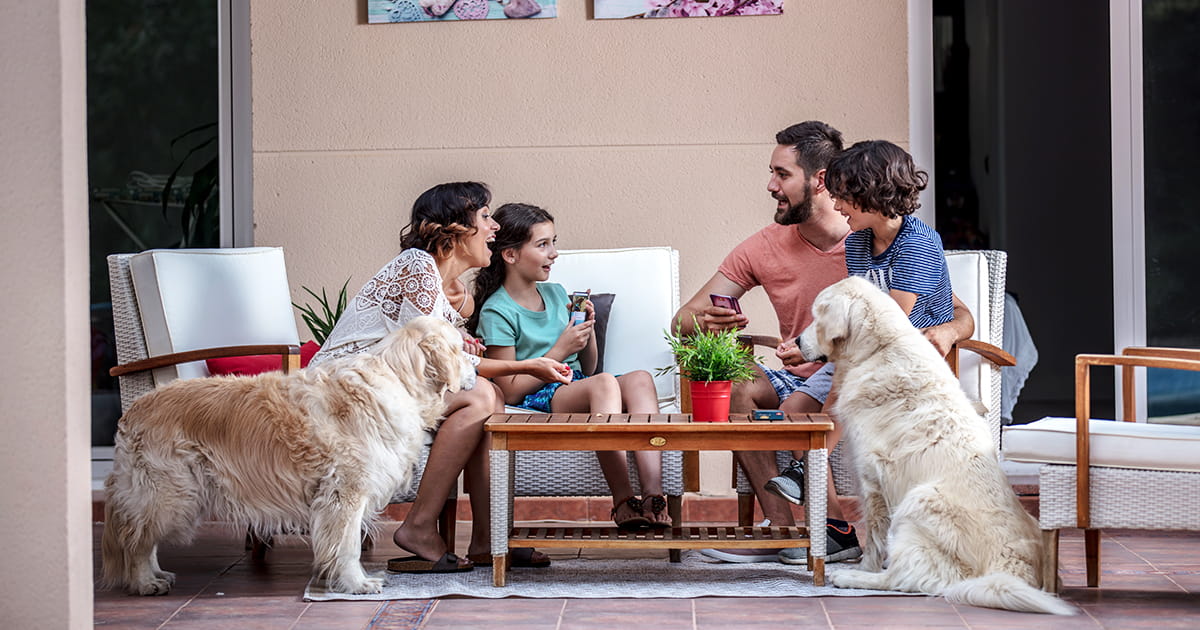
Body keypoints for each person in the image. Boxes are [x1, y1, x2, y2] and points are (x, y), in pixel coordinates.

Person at [671, 122, 974, 564]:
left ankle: (830, 529)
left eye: (782, 174)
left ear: (821, 180)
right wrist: (709, 320)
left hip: (864, 369)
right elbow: (681, 321)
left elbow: (952, 311)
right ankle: (786, 531)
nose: (771, 185)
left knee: (835, 390)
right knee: (736, 382)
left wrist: (947, 332)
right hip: (805, 371)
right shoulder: (772, 247)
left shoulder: (892, 240)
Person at [311, 182, 565, 573]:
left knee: (490, 398)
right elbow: (440, 361)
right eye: (484, 216)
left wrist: (466, 346)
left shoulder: (458, 292)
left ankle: (487, 538)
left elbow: (449, 359)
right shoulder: (417, 266)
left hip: (392, 388)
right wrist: (530, 365)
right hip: (346, 393)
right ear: (454, 229)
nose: (494, 226)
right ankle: (418, 525)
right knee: (481, 396)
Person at [471, 203, 670, 529]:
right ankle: (623, 501)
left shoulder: (556, 293)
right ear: (510, 255)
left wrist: (586, 333)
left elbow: (588, 368)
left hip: (575, 382)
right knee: (606, 383)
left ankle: (653, 495)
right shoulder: (498, 311)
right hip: (539, 391)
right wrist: (561, 348)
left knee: (639, 379)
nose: (554, 253)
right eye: (543, 245)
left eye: (554, 242)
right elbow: (508, 390)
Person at [826, 139, 954, 329]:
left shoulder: (917, 244)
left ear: (873, 193)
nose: (837, 206)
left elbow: (889, 323)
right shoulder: (856, 243)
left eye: (844, 197)